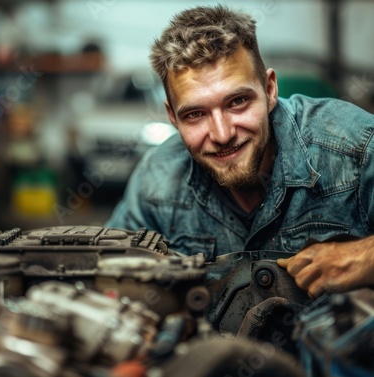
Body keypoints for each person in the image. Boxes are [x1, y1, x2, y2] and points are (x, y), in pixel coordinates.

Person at [105, 5, 374, 298]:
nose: (222, 135)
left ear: (270, 89)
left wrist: (365, 255)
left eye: (237, 102)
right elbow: (109, 272)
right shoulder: (157, 179)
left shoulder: (354, 147)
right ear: (172, 116)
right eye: (195, 114)